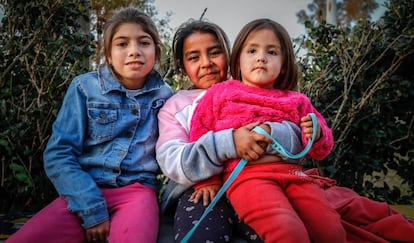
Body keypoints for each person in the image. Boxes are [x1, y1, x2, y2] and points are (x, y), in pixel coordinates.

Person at [7, 7, 173, 243]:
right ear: (108, 54)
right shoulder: (85, 88)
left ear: (156, 52)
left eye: (144, 43)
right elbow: (59, 153)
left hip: (137, 192)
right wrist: (91, 209)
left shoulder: (167, 96)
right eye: (122, 44)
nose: (134, 51)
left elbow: (174, 147)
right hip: (83, 189)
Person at [188, 18, 347, 243]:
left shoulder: (296, 101)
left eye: (271, 52)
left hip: (294, 175)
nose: (261, 57)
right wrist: (208, 180)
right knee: (287, 231)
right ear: (238, 60)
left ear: (283, 65)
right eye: (252, 50)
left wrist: (318, 133)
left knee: (331, 230)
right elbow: (199, 134)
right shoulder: (221, 93)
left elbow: (321, 149)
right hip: (248, 178)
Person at [156, 19, 304, 242]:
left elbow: (292, 129)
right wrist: (230, 143)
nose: (206, 63)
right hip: (200, 191)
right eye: (194, 57)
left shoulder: (252, 89)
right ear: (182, 66)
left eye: (215, 53)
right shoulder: (175, 107)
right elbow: (172, 159)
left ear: (230, 55)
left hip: (257, 185)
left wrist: (271, 133)